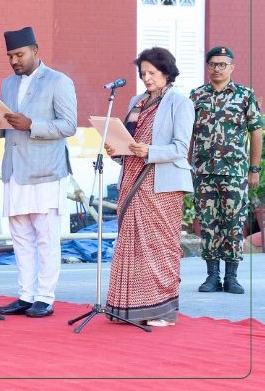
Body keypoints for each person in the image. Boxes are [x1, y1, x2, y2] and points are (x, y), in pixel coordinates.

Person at [0, 26, 77, 318]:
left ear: (36, 50)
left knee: (46, 235)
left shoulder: (58, 82)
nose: (14, 61)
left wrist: (31, 124)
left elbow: (69, 125)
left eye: (19, 54)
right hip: (15, 170)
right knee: (20, 235)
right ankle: (25, 295)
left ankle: (45, 297)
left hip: (46, 171)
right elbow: (6, 129)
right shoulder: (9, 84)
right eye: (10, 56)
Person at [103, 47, 193, 327]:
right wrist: (116, 150)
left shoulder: (180, 103)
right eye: (143, 73)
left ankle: (163, 311)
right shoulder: (137, 101)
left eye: (152, 73)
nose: (147, 78)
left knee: (159, 247)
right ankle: (130, 308)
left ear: (167, 73)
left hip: (161, 183)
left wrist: (149, 151)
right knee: (132, 245)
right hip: (132, 176)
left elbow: (180, 148)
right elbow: (130, 140)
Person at [189, 46, 262, 295]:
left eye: (222, 64)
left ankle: (231, 276)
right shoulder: (197, 96)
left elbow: (256, 132)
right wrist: (186, 166)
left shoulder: (244, 95)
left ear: (232, 67)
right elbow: (188, 134)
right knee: (208, 224)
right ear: (207, 67)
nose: (217, 68)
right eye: (213, 64)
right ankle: (212, 276)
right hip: (203, 172)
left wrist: (254, 169)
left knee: (233, 223)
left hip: (234, 172)